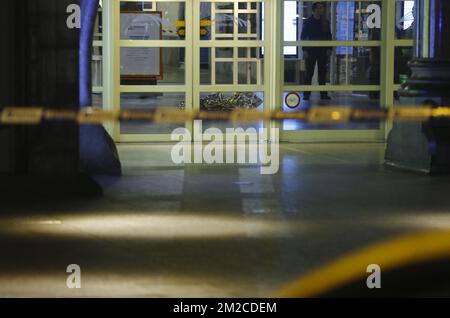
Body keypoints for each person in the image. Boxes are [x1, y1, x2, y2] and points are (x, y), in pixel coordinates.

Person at [301, 2, 332, 101]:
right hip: (310, 51)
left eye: (322, 8)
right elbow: (303, 36)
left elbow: (329, 36)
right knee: (309, 74)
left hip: (322, 51)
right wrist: (304, 50)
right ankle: (306, 94)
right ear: (314, 10)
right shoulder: (308, 22)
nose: (321, 10)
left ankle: (323, 94)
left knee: (322, 73)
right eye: (319, 8)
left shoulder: (325, 22)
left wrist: (329, 49)